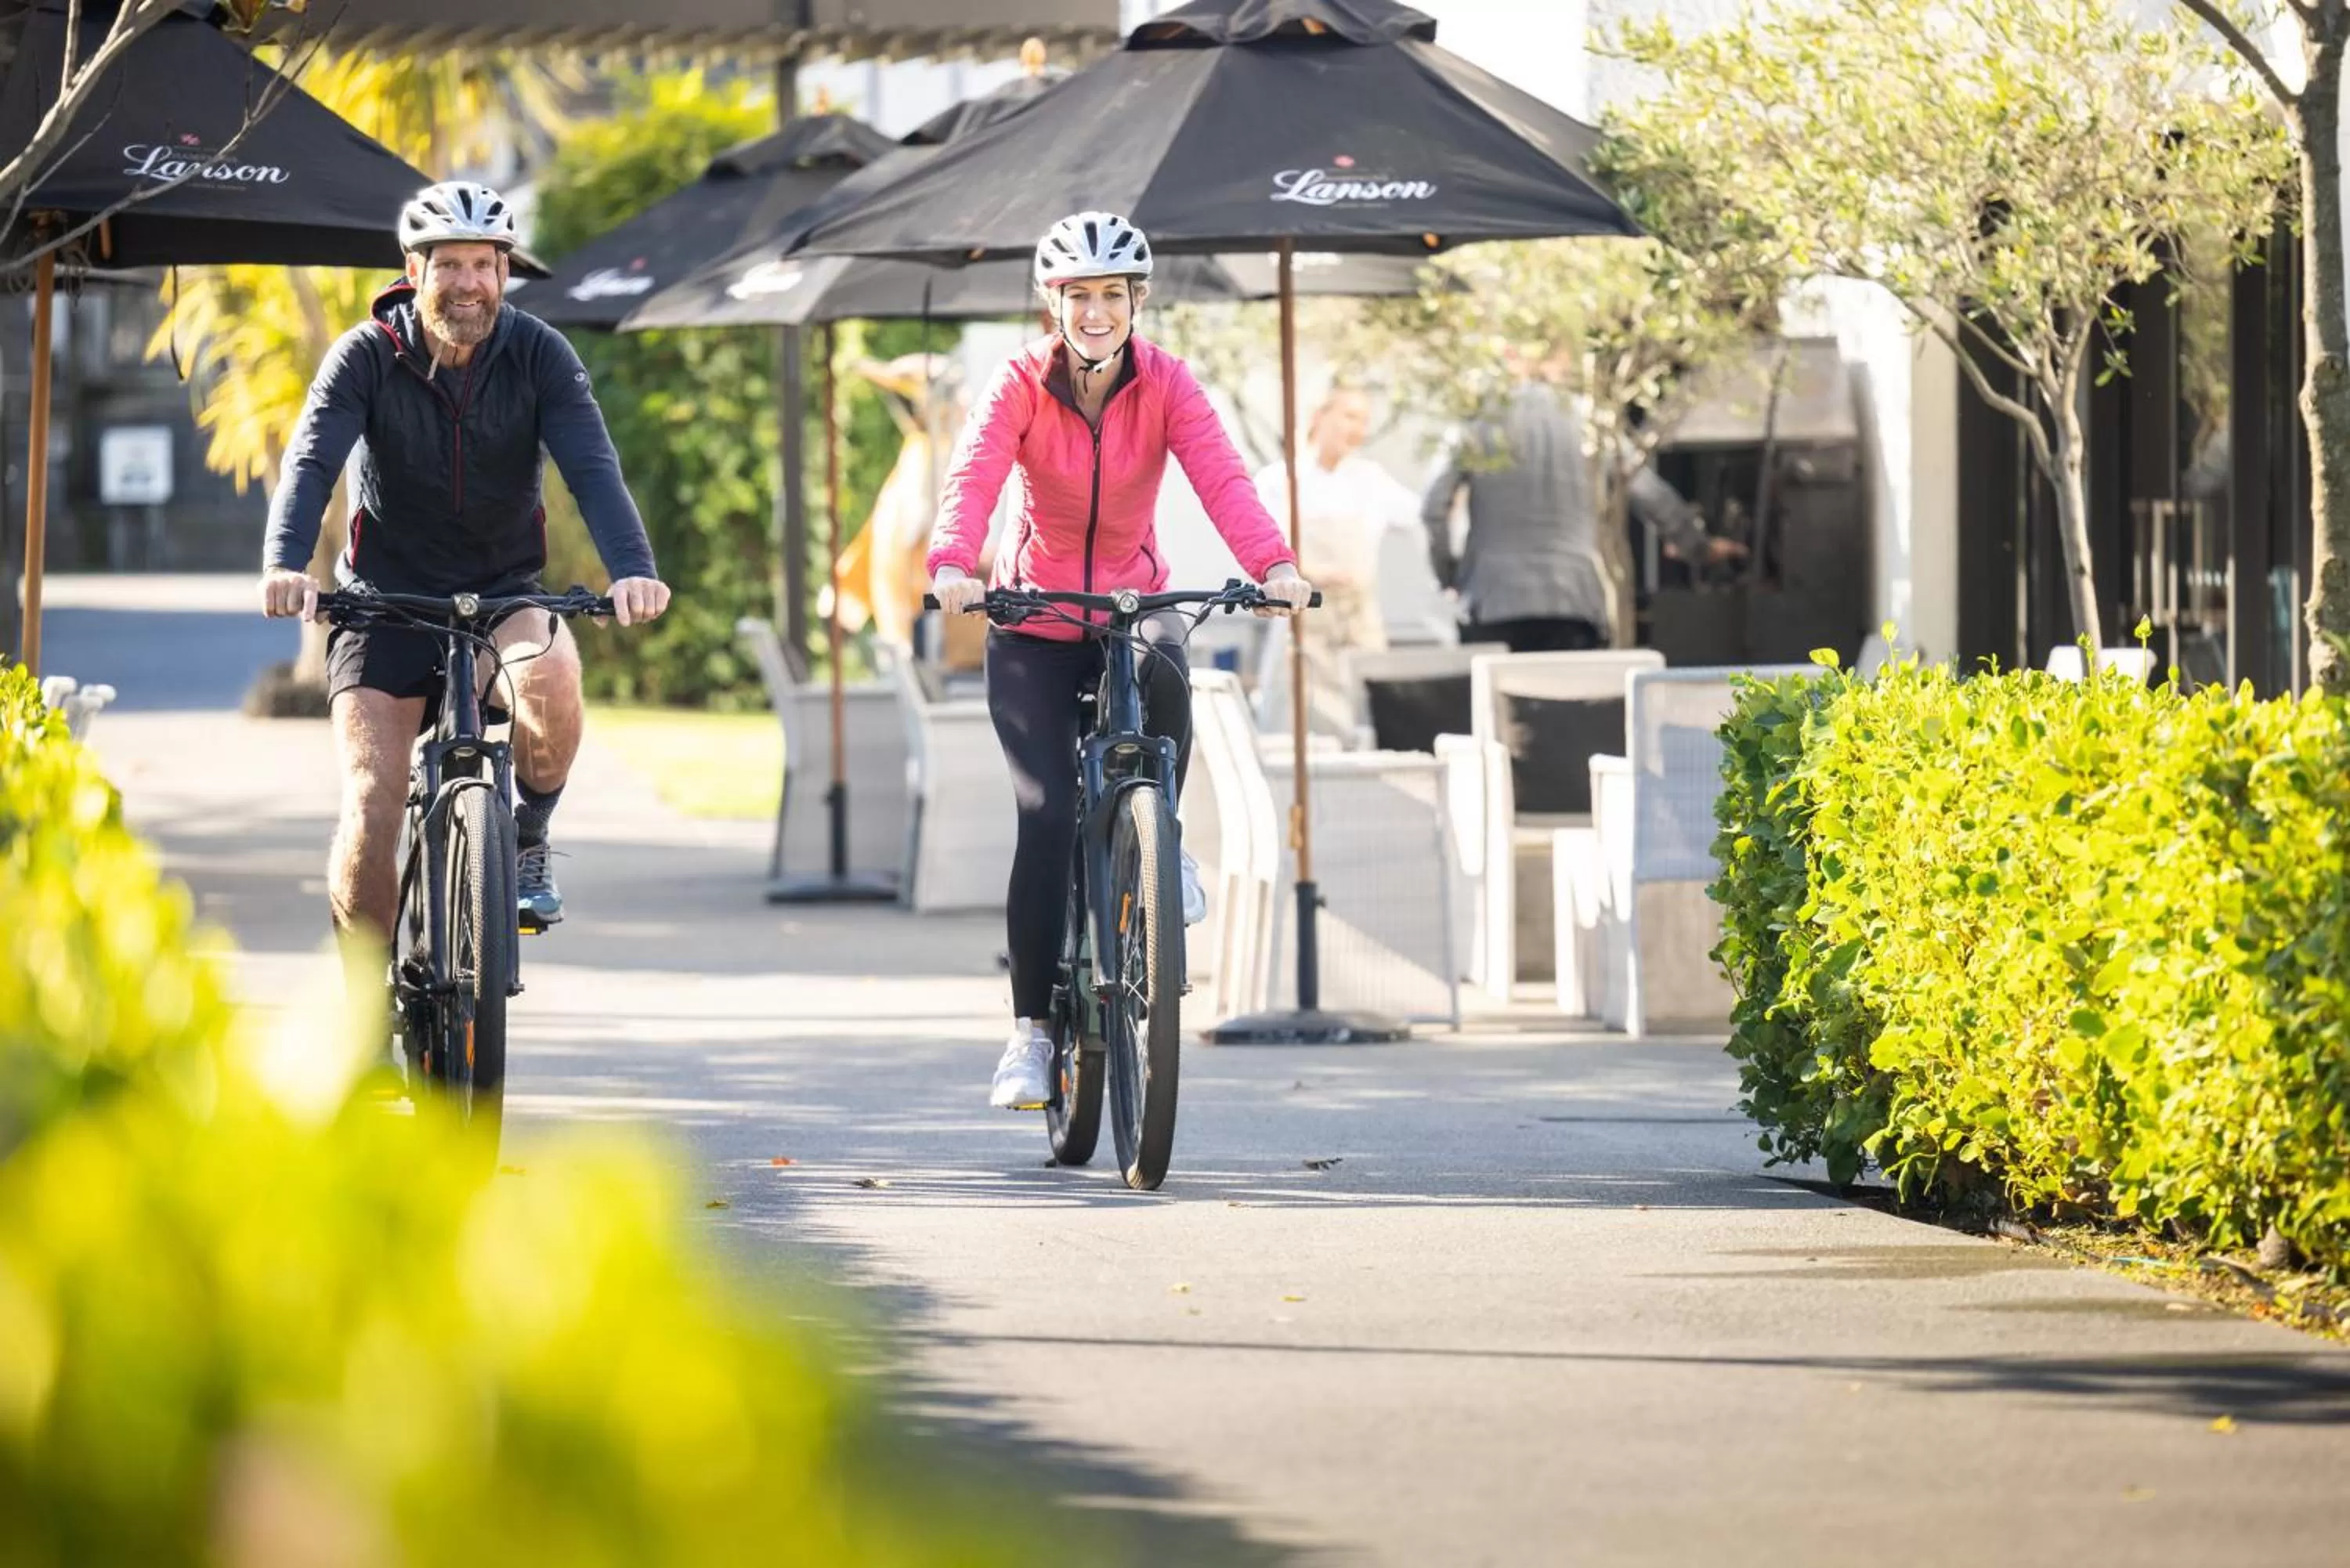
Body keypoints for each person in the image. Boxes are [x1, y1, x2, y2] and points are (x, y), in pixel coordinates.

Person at [925, 211, 1313, 1111]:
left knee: (1171, 664)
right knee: (1048, 811)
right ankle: (1029, 1034)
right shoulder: (1020, 381)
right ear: (1051, 302)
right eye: (1078, 295)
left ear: (1137, 300)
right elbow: (974, 473)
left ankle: (1159, 839)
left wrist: (1276, 566)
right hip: (1032, 618)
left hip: (1129, 606)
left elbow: (1222, 477)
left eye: (1112, 294)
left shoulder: (1168, 382)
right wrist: (953, 564)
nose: (1096, 312)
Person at [258, 179, 671, 992]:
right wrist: (285, 561)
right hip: (381, 602)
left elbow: (592, 466)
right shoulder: (366, 355)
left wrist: (634, 570)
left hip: (502, 593)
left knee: (550, 678)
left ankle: (527, 836)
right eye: (450, 264)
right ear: (414, 271)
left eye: (485, 264)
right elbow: (312, 461)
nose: (469, 282)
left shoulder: (540, 353)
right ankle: (360, 1012)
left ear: (505, 272)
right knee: (373, 803)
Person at [1252, 382, 1420, 735]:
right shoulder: (1279, 481)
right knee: (1295, 727)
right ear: (1320, 416)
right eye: (1349, 416)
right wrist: (1310, 573)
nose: (1358, 429)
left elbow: (1422, 516)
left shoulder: (1371, 480)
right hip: (1302, 625)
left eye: (1363, 421)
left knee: (1369, 727)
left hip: (1359, 627)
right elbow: (1260, 546)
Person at [1419, 380, 1613, 651]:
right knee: (1573, 691)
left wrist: (1449, 576)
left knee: (1495, 691)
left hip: (1492, 599)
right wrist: (1691, 546)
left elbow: (1433, 509)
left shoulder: (1478, 421)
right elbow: (1646, 488)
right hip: (1575, 599)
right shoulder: (1590, 419)